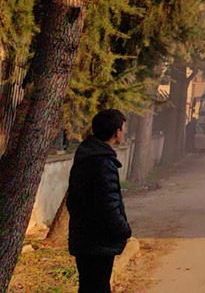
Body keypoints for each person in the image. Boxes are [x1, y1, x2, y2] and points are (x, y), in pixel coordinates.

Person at [68, 109, 133, 293]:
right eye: (123, 129)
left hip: (86, 238)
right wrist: (124, 230)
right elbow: (108, 206)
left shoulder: (87, 156)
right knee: (97, 287)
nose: (124, 132)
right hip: (98, 241)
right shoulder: (102, 163)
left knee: (89, 286)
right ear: (116, 131)